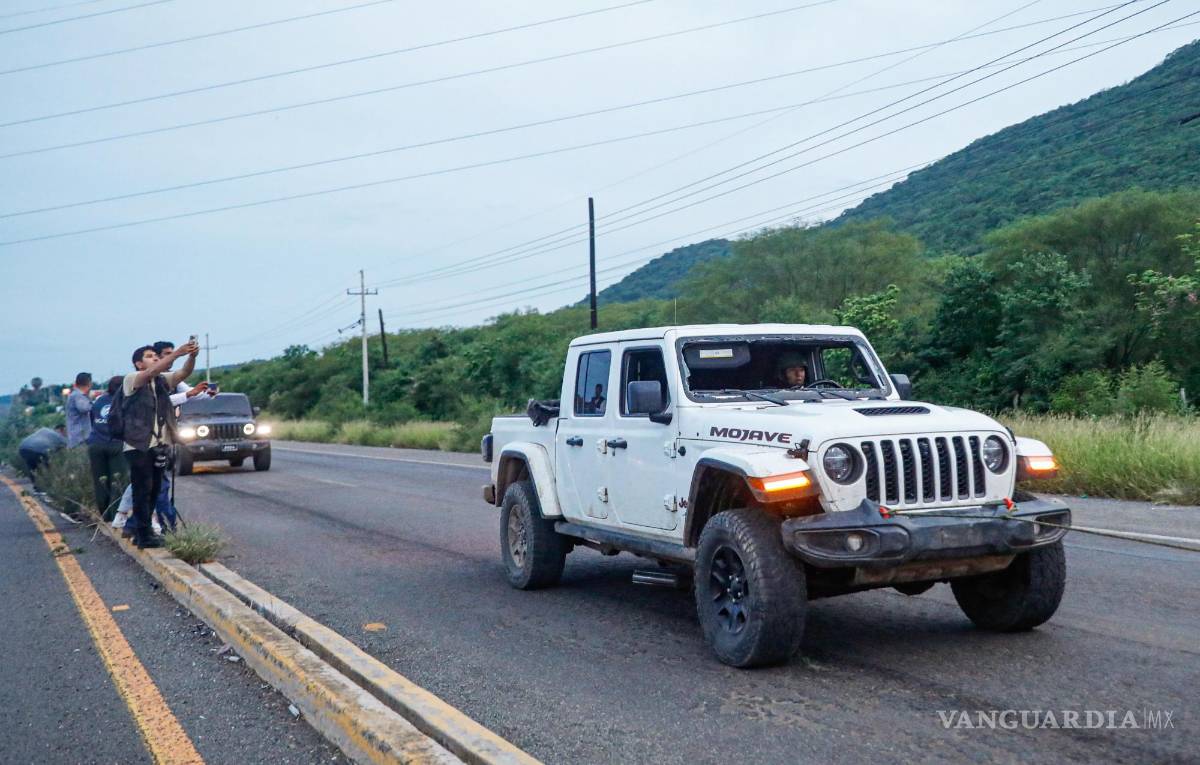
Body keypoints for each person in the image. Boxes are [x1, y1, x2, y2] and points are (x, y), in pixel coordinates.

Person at [121, 340, 198, 549]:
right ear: (138, 363)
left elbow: (183, 374)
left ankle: (143, 533)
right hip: (138, 445)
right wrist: (177, 353)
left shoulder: (161, 381)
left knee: (154, 490)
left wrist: (191, 356)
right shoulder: (132, 379)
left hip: (159, 443)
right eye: (149, 356)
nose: (155, 358)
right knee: (142, 490)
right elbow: (150, 373)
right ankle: (143, 534)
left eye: (156, 356)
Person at [87, 376, 127, 520]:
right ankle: (115, 514)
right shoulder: (124, 401)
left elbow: (92, 420)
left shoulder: (99, 401)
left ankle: (104, 514)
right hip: (116, 444)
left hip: (96, 444)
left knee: (100, 481)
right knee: (118, 482)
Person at [18, 425, 66, 490]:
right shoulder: (59, 437)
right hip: (37, 450)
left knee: (32, 467)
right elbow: (64, 451)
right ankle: (48, 487)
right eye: (65, 431)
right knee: (47, 467)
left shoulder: (44, 429)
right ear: (61, 430)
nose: (66, 434)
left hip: (23, 447)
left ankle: (36, 486)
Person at [66, 372, 96, 447]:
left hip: (79, 435)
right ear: (89, 383)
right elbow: (85, 408)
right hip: (80, 437)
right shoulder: (78, 396)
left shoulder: (76, 395)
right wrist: (93, 401)